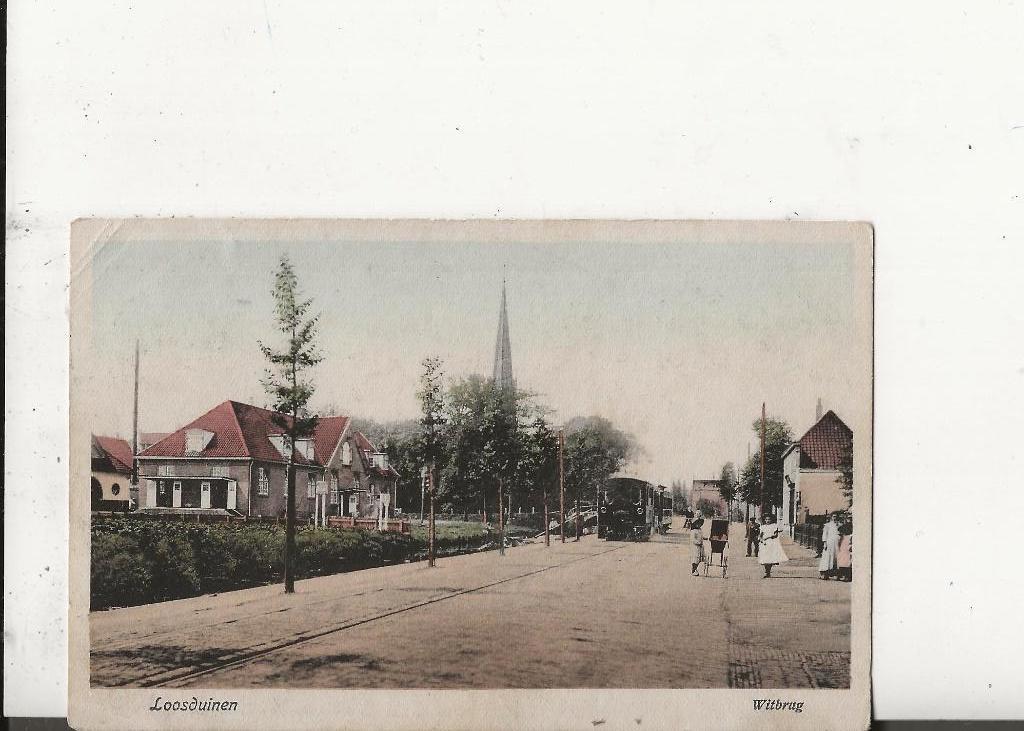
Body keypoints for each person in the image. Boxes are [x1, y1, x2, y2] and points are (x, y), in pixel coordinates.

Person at [818, 513, 841, 580]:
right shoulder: (827, 525)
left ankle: (835, 574)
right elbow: (825, 534)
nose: (835, 518)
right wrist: (825, 543)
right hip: (829, 543)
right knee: (827, 557)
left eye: (836, 516)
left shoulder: (839, 525)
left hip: (837, 544)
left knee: (836, 558)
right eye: (834, 516)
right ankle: (824, 573)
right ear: (831, 517)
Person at [837, 515, 853, 582]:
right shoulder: (845, 525)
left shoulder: (851, 525)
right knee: (844, 558)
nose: (849, 519)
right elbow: (839, 529)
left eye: (850, 518)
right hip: (845, 541)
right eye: (848, 518)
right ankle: (843, 575)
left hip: (848, 540)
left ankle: (847, 576)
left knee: (847, 558)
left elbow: (840, 529)